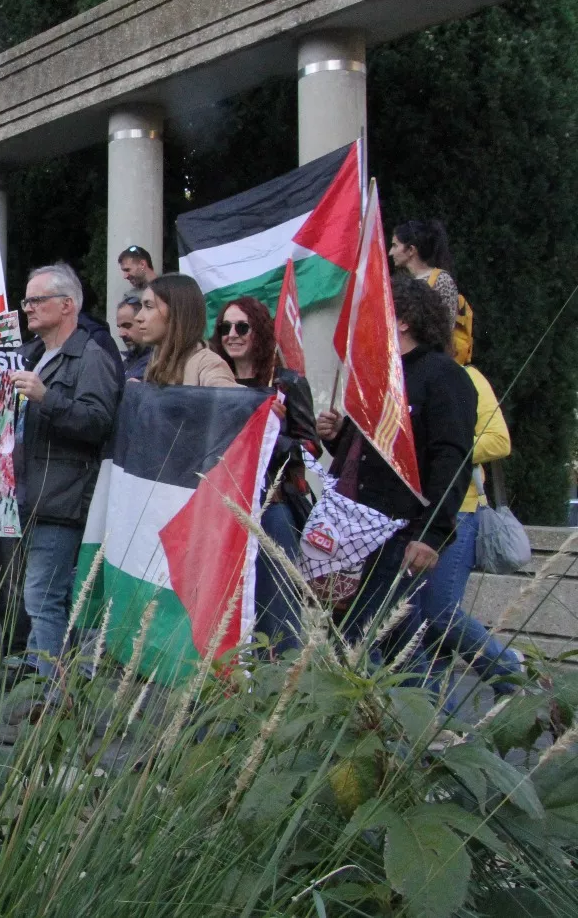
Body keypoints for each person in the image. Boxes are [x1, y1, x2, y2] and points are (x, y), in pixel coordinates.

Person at [315, 275, 476, 658]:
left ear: (403, 320)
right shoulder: (378, 376)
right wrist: (338, 437)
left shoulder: (443, 376)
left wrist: (432, 534)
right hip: (356, 533)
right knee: (392, 644)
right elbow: (371, 456)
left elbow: (451, 459)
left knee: (357, 639)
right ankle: (435, 716)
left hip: (402, 533)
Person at [8, 263, 122, 688]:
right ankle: (52, 686)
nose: (28, 309)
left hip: (61, 496)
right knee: (42, 599)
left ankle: (52, 696)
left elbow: (99, 423)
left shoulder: (91, 355)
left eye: (37, 300)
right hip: (25, 493)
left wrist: (45, 397)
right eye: (26, 301)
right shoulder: (30, 354)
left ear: (68, 305)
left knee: (43, 597)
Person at [209, 296, 317, 649]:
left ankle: (284, 690)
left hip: (273, 506)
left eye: (242, 327)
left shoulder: (286, 382)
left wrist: (276, 435)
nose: (232, 335)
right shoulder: (212, 380)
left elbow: (311, 447)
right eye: (225, 327)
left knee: (279, 610)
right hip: (222, 508)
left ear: (259, 330)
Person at [417, 364, 524, 703]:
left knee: (440, 610)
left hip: (460, 508)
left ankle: (511, 675)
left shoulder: (468, 376)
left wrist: (444, 448)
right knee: (424, 624)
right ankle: (437, 718)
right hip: (416, 512)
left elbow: (498, 441)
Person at [390, 219, 471, 364]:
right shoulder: (400, 281)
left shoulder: (441, 280)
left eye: (395, 246)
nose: (391, 252)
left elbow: (445, 332)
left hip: (427, 362)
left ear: (411, 250)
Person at [133, 274, 237, 386]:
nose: (138, 317)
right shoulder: (157, 360)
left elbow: (235, 400)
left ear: (177, 312)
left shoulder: (208, 364)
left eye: (149, 307)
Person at [115, 294, 151, 380]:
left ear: (143, 323)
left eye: (127, 325)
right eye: (119, 327)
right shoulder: (129, 361)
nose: (121, 334)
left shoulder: (157, 363)